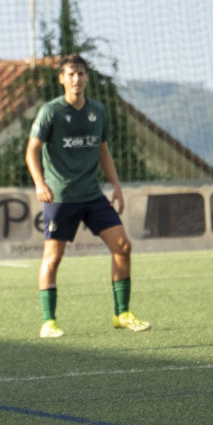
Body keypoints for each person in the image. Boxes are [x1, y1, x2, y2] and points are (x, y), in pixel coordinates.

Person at [25, 54, 150, 339]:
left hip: (92, 195)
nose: (76, 79)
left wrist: (116, 184)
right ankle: (48, 321)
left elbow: (102, 149)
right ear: (62, 79)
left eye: (80, 73)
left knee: (123, 247)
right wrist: (39, 183)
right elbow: (32, 150)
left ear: (87, 78)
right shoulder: (51, 111)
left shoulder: (98, 111)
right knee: (53, 257)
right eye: (70, 74)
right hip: (60, 196)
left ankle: (122, 313)